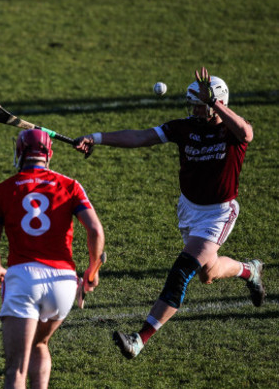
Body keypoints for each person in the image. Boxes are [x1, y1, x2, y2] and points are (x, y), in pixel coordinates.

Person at [73, 67, 265, 359]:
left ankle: (139, 339)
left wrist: (215, 104)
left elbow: (248, 133)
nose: (194, 110)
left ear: (217, 103)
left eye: (200, 105)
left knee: (181, 271)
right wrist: (96, 138)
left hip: (218, 213)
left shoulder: (231, 131)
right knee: (208, 273)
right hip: (188, 209)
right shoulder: (183, 127)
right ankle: (251, 271)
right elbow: (139, 137)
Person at [0, 129, 105, 388]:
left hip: (24, 279)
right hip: (63, 284)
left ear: (19, 153)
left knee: (16, 369)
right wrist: (92, 272)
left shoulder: (2, 190)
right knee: (40, 343)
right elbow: (95, 230)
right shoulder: (70, 185)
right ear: (49, 154)